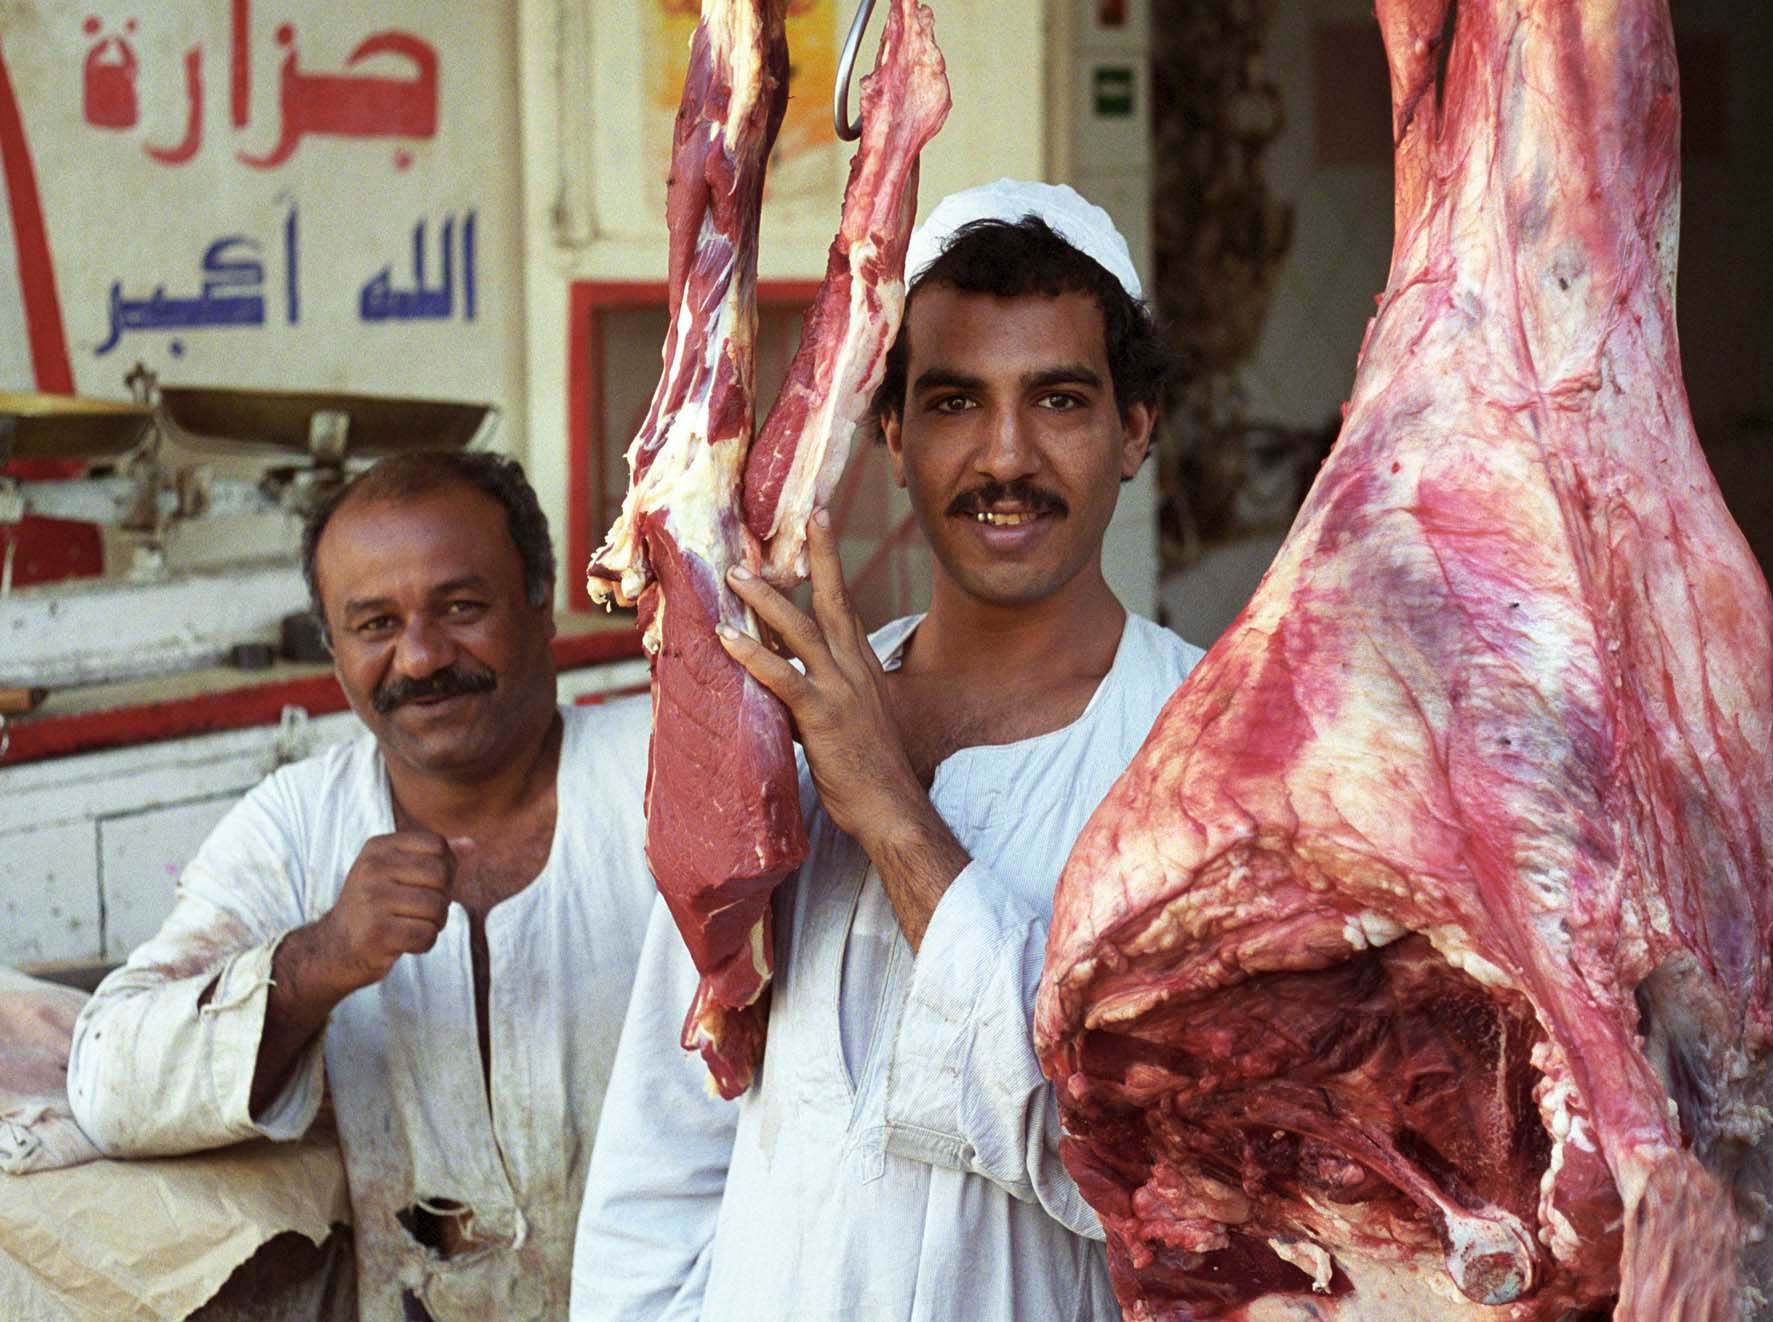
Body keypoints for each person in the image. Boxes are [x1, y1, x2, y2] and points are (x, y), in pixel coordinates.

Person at [571, 180, 1206, 1320]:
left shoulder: (1210, 751)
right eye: (956, 401)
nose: (1006, 456)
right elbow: (666, 1150)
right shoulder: (780, 713)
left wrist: (890, 812)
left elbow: (1149, 1163)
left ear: (1134, 432)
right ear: (895, 435)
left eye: (1059, 399)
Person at [67, 451, 657, 1320]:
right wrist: (321, 959)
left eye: (461, 608)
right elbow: (109, 1086)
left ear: (542, 604)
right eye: (375, 624)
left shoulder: (661, 778)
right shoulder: (300, 824)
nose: (420, 658)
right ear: (335, 651)